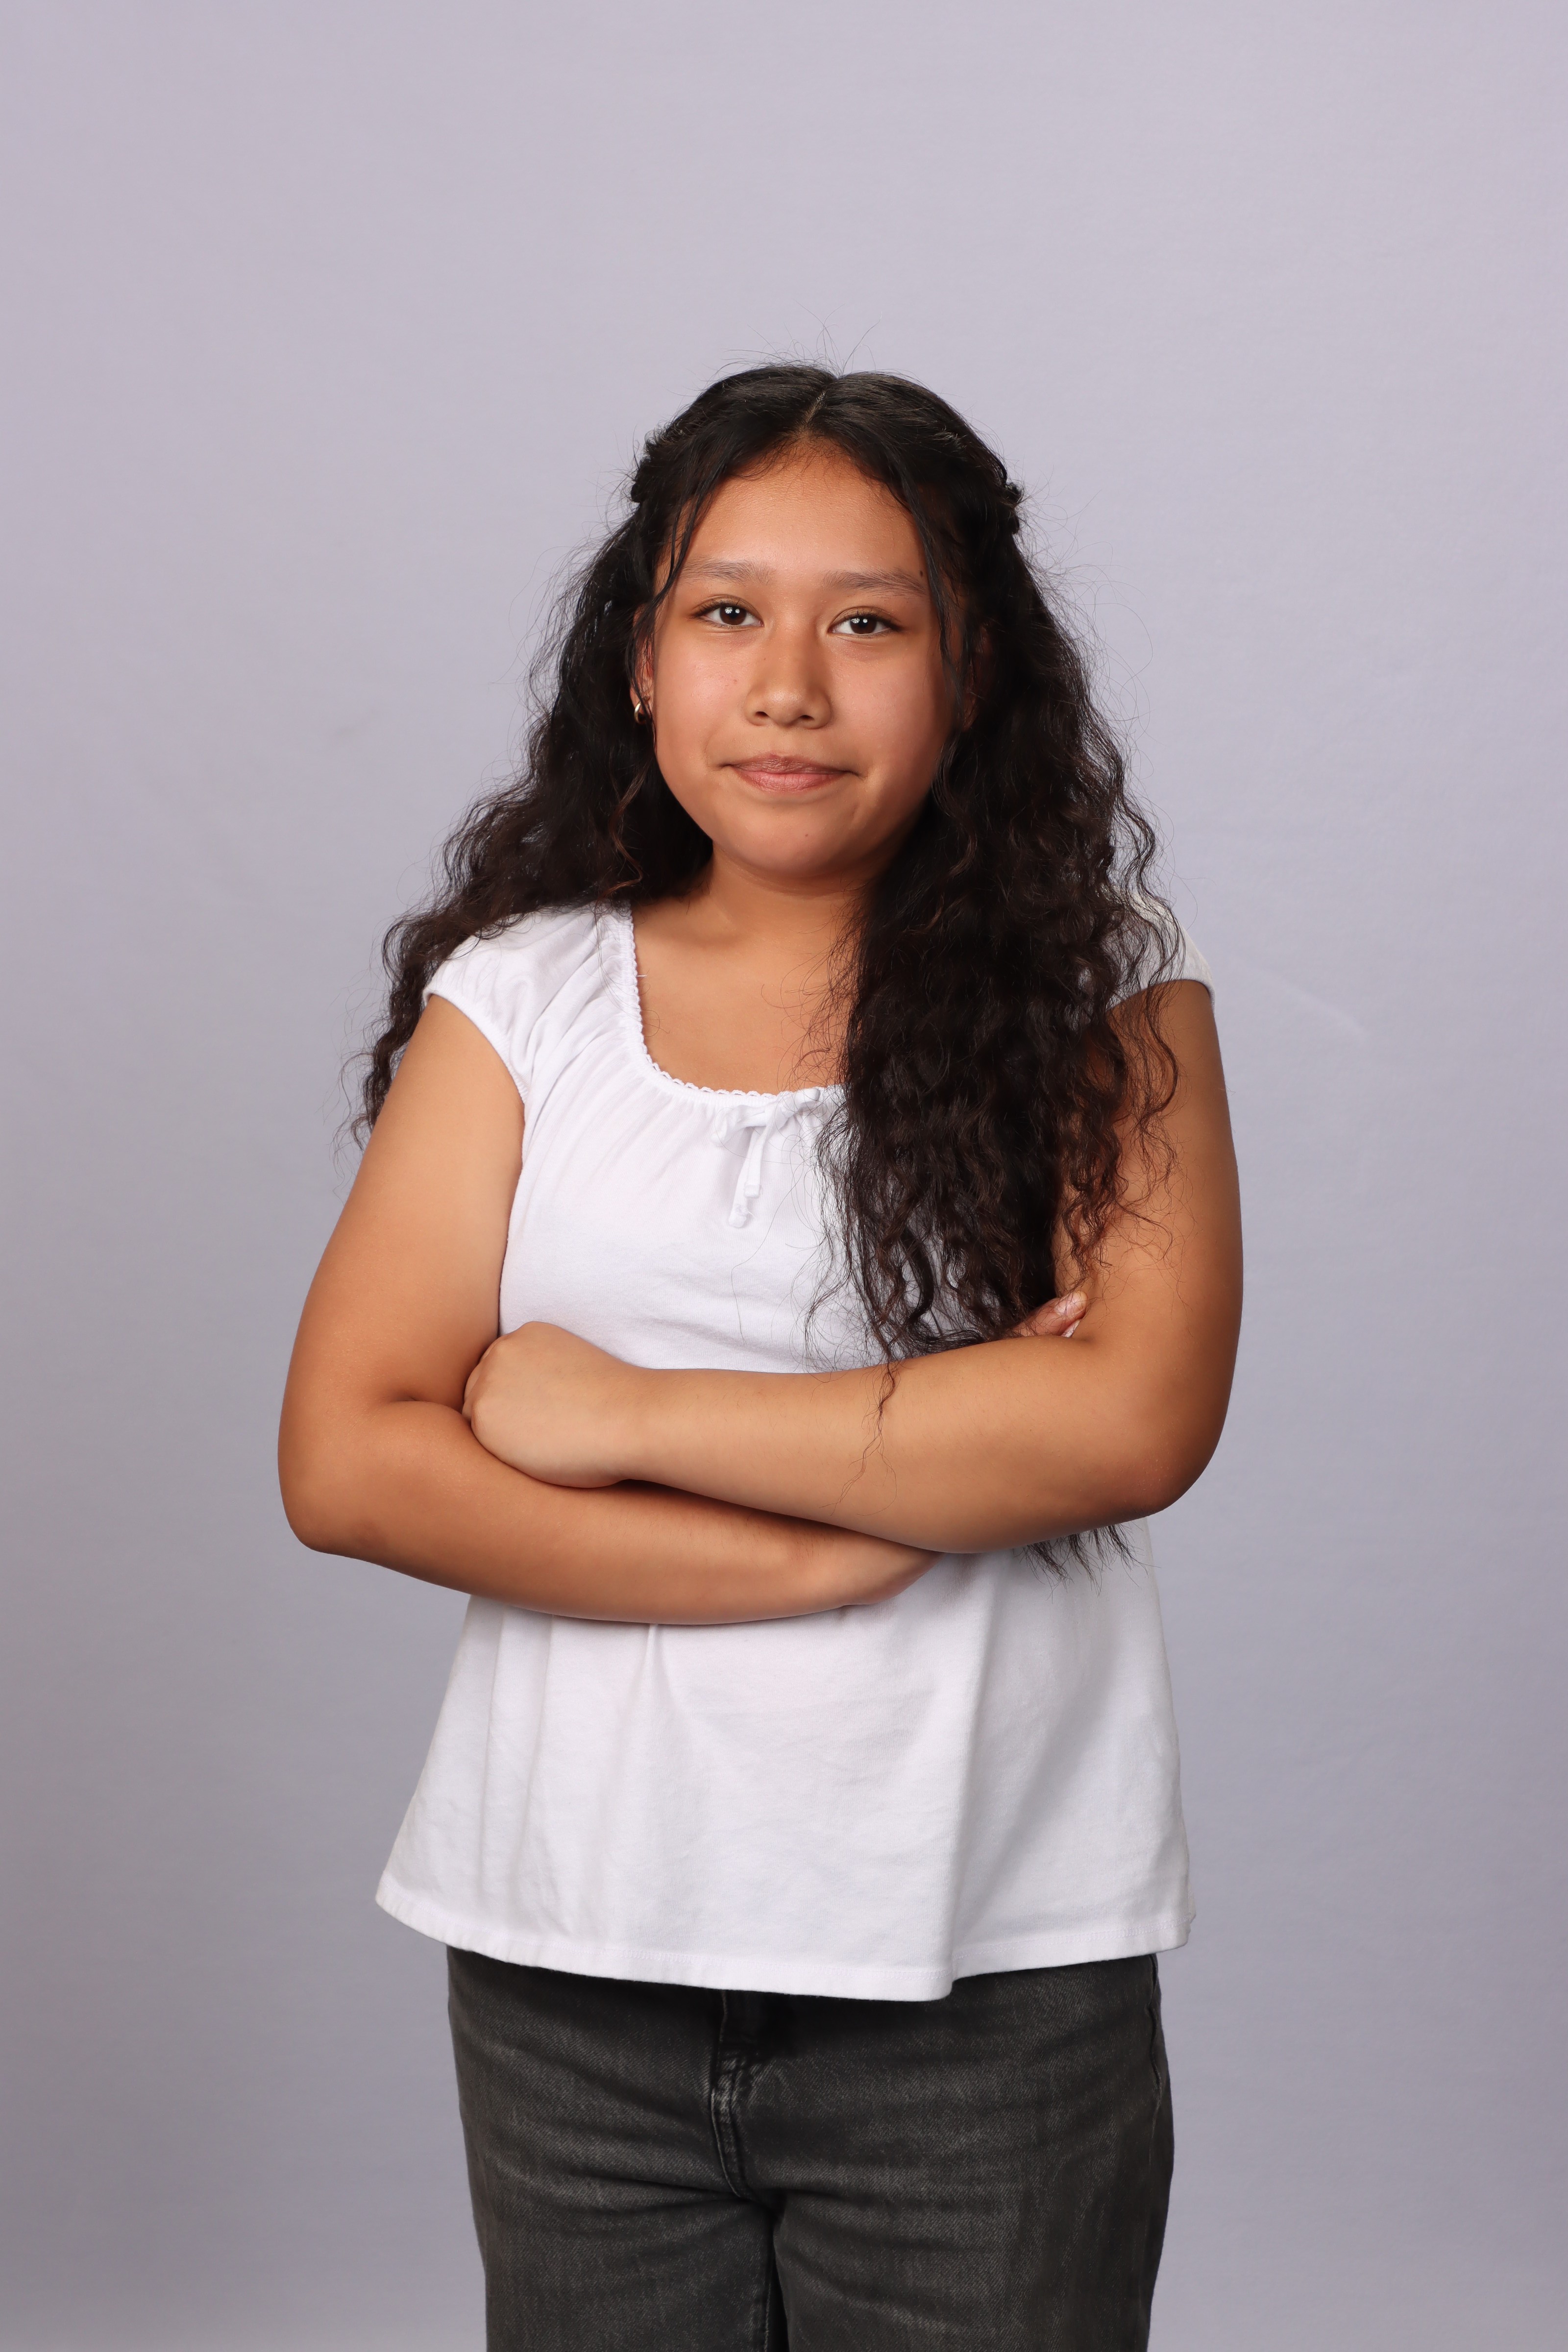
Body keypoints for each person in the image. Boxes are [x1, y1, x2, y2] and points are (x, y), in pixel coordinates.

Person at [278, 364, 1243, 2351]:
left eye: (867, 622)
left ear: (971, 673)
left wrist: (607, 1413)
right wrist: (852, 1532)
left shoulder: (1103, 995)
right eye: (726, 612)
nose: (788, 685)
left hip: (982, 1969)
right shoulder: (519, 1003)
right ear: (641, 662)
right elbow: (352, 1463)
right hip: (572, 1968)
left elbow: (1127, 1421)